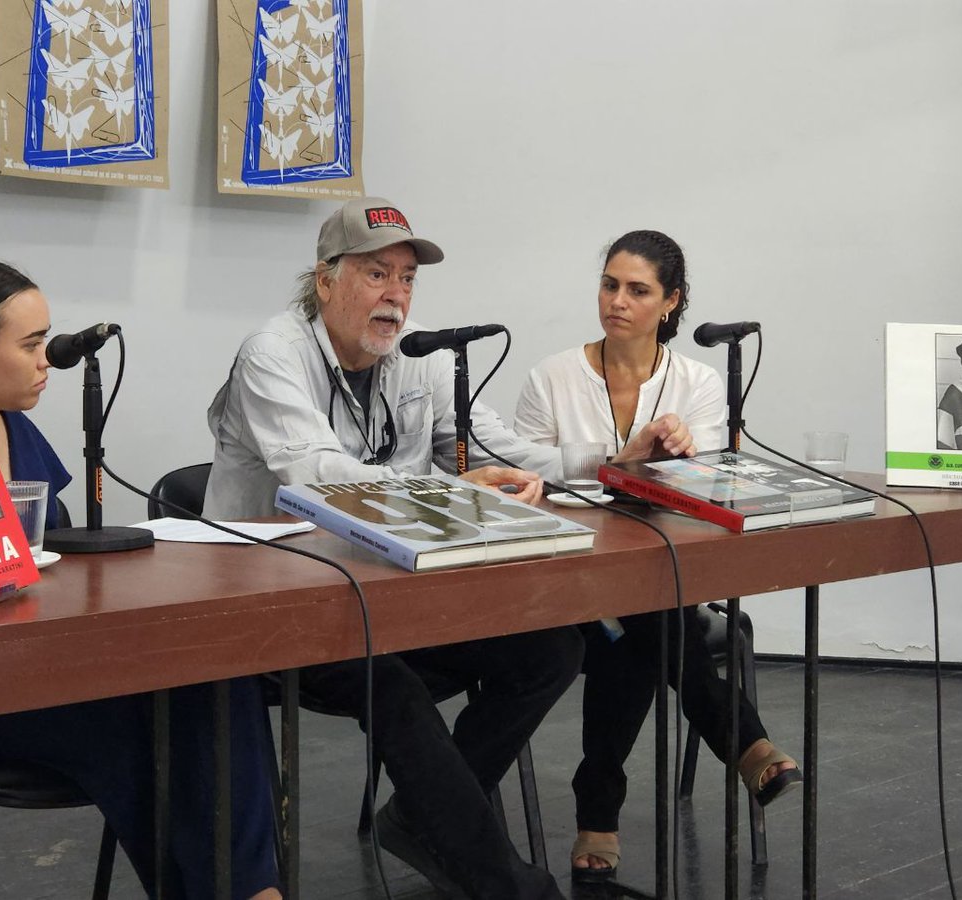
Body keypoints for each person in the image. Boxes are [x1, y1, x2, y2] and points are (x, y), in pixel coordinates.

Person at [204, 197, 681, 899]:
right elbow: (318, 476)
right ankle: (507, 884)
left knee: (550, 650)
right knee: (390, 683)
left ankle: (421, 818)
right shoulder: (273, 353)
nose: (395, 295)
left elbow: (499, 449)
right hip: (279, 608)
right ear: (326, 278)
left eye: (406, 278)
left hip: (389, 594)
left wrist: (615, 456)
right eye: (376, 274)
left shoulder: (416, 352)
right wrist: (439, 484)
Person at [0, 256, 282, 900]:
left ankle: (253, 893)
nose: (46, 361)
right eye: (30, 344)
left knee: (219, 679)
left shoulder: (15, 426)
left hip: (26, 657)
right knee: (135, 718)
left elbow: (47, 558)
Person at [514, 230, 804, 883]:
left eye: (637, 290)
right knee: (640, 618)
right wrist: (623, 461)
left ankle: (599, 817)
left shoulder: (698, 385)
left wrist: (673, 461)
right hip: (567, 582)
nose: (617, 301)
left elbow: (700, 490)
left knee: (635, 626)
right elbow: (524, 481)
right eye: (610, 284)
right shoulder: (552, 377)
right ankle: (745, 743)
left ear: (671, 303)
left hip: (649, 585)